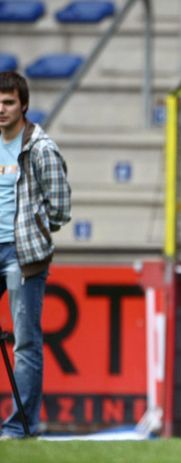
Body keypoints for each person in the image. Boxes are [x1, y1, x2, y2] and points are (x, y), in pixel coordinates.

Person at [0, 71, 71, 439]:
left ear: (23, 105)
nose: (1, 108)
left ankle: (19, 428)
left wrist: (35, 230)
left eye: (9, 101)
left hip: (22, 254)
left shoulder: (41, 147)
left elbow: (60, 207)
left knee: (25, 342)